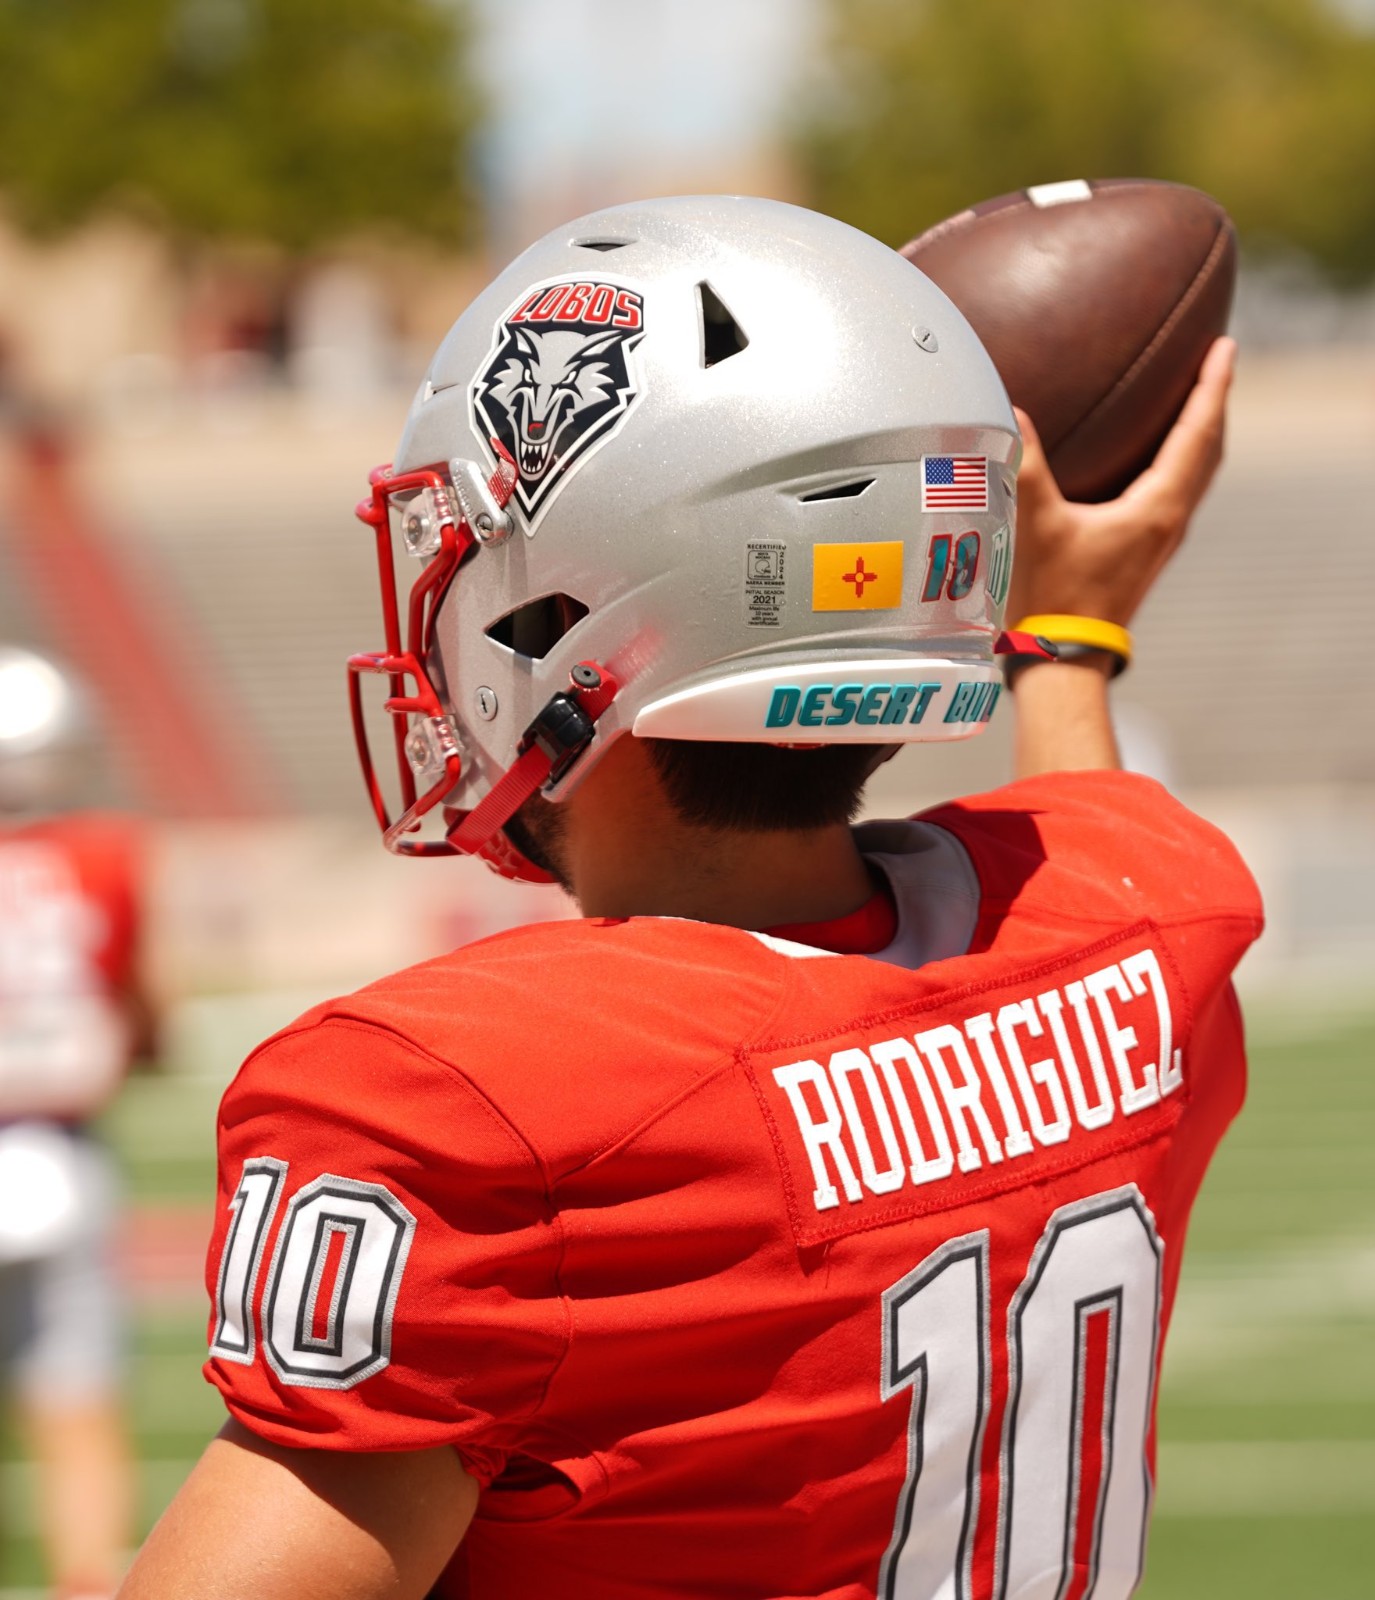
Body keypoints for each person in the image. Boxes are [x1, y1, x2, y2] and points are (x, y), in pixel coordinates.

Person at [120, 197, 1258, 1600]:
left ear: (567, 628)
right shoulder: (1144, 942)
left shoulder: (472, 1109)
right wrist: (1071, 639)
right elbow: (1087, 838)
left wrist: (1073, 630)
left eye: (462, 559)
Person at [0, 647, 147, 1600]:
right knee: (76, 1400)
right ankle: (86, 1584)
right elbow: (140, 1007)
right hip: (59, 1151)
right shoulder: (103, 853)